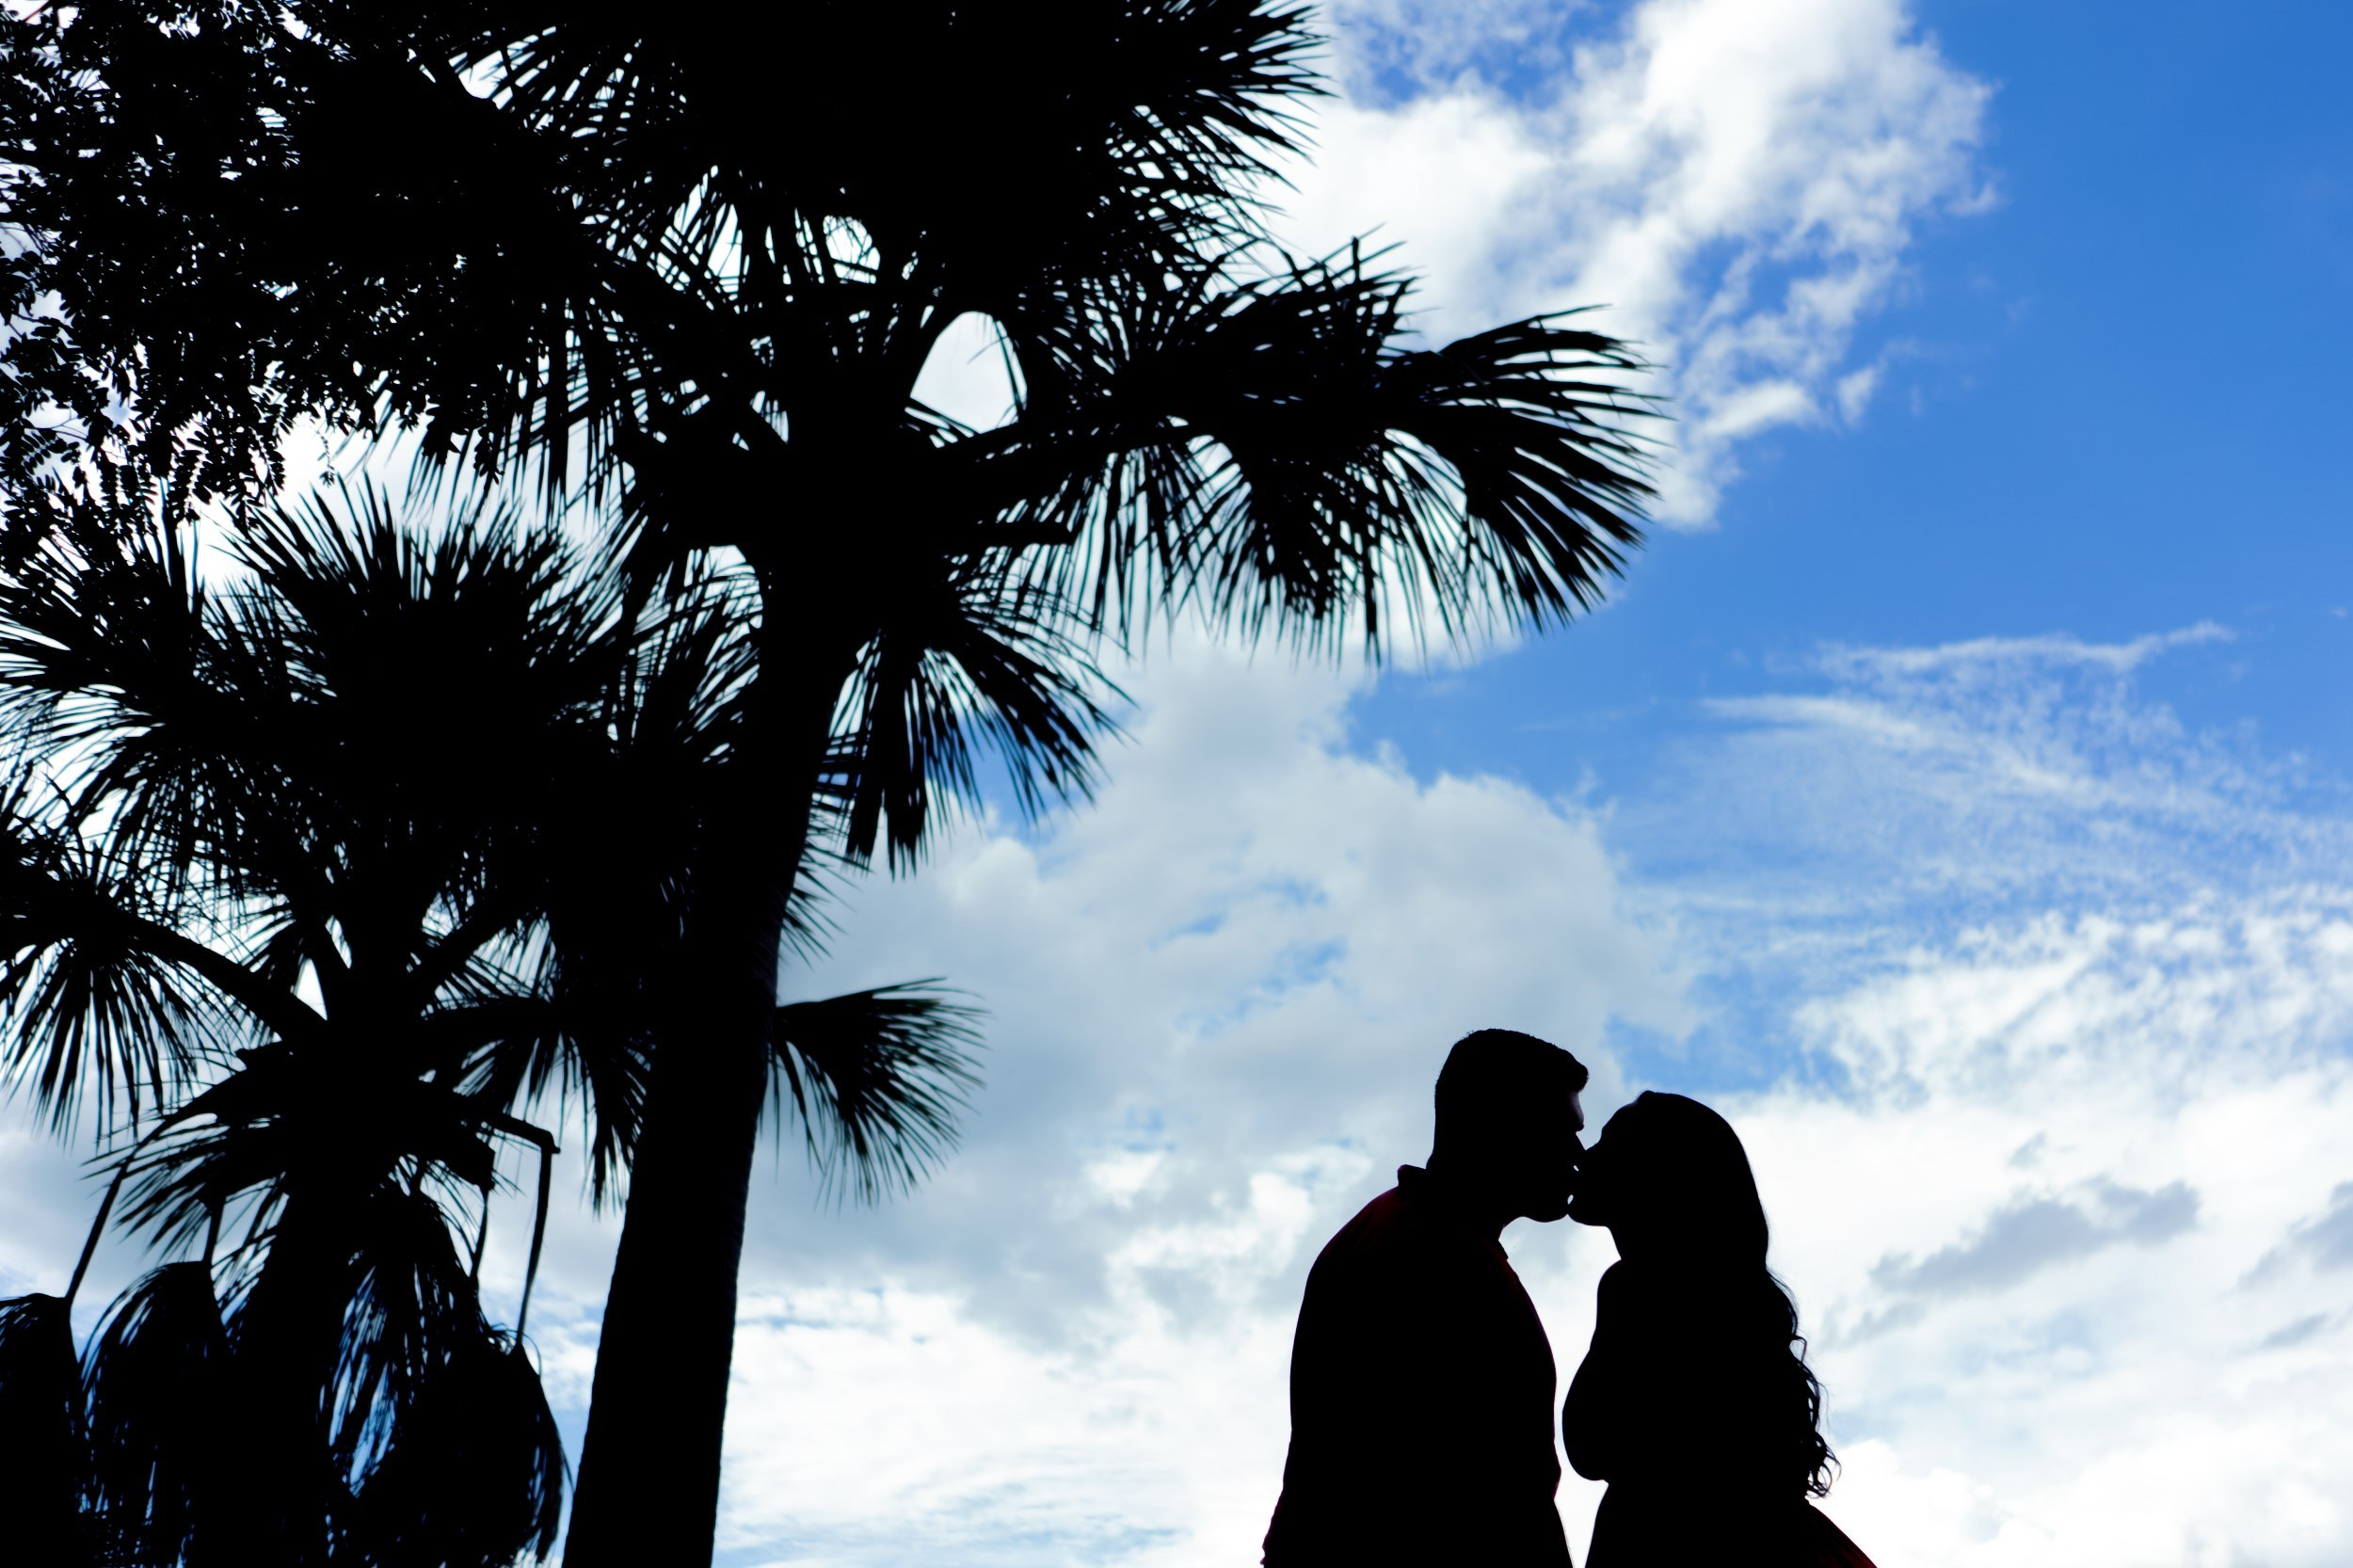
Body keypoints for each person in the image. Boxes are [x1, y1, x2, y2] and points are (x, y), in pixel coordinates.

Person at [1262, 1029, 1590, 1568]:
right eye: (1561, 1130)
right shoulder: (1430, 1251)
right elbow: (1481, 1490)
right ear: (1500, 1124)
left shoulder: (1415, 1235)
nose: (1577, 1156)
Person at [1562, 1091, 1877, 1567]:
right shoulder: (1721, 1300)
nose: (1586, 1156)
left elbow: (1590, 1447)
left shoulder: (1636, 1288)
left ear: (1657, 1174)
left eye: (1610, 1143)